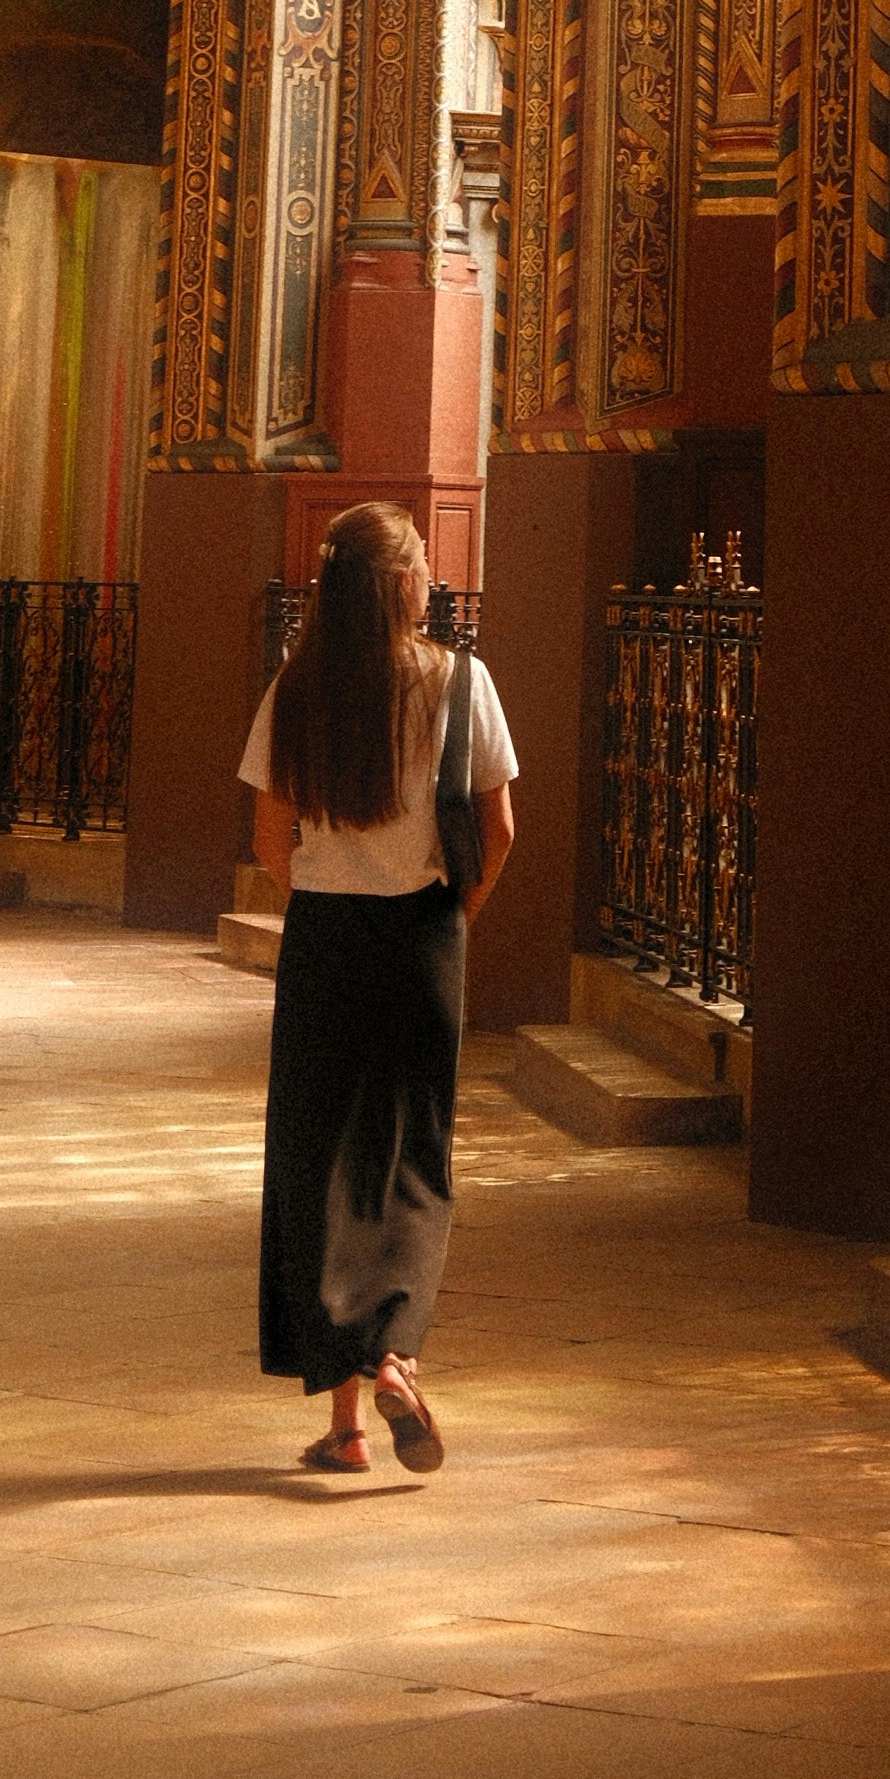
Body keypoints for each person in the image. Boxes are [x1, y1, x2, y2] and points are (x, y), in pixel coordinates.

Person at [238, 504, 517, 1479]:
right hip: (422, 940)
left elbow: (272, 840)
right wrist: (450, 920)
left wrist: (327, 900)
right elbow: (501, 828)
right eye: (425, 564)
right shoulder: (460, 683)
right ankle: (397, 1357)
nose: (436, 576)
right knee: (407, 1163)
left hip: (324, 941)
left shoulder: (297, 689)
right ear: (403, 587)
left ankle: (346, 1427)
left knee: (320, 1167)